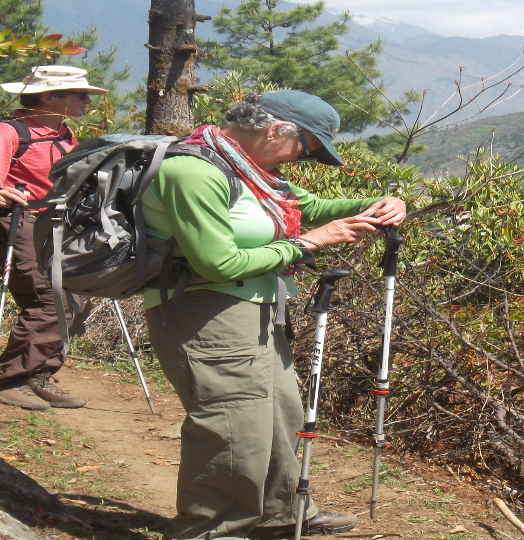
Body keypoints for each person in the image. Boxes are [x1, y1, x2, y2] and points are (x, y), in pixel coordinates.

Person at [140, 90, 406, 540]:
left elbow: (310, 208)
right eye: (306, 147)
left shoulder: (255, 171)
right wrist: (309, 243)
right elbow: (216, 263)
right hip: (204, 311)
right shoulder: (193, 169)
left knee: (282, 411)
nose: (304, 160)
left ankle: (284, 515)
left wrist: (380, 204)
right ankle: (213, 529)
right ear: (277, 130)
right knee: (234, 425)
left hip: (256, 309)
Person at [0, 65, 103, 410]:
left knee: (73, 300)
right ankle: (5, 380)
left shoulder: (63, 133)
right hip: (19, 220)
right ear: (49, 97)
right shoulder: (6, 132)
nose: (87, 100)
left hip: (57, 223)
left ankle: (38, 374)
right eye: (80, 94)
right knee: (48, 299)